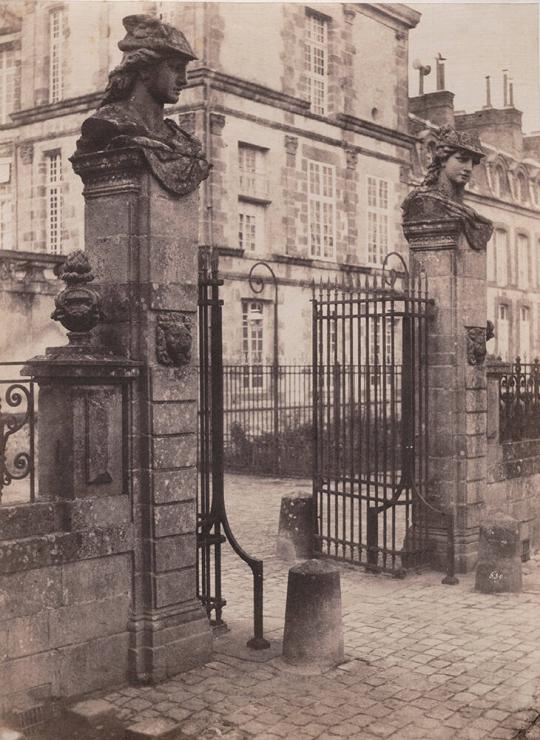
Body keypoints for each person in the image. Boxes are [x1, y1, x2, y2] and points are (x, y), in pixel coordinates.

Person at [75, 14, 210, 196]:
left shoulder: (184, 140)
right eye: (175, 67)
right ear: (145, 68)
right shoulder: (107, 123)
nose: (184, 80)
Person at [402, 125, 493, 250]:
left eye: (472, 163)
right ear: (443, 160)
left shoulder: (466, 211)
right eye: (462, 160)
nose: (468, 168)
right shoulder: (423, 202)